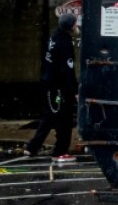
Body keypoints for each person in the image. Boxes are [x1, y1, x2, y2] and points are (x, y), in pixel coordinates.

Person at [24, 12, 79, 162]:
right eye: (75, 23)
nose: (77, 26)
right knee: (64, 119)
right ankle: (60, 151)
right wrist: (74, 90)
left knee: (49, 116)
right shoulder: (65, 43)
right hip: (58, 87)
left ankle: (32, 147)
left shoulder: (53, 37)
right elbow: (67, 69)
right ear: (71, 26)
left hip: (48, 84)